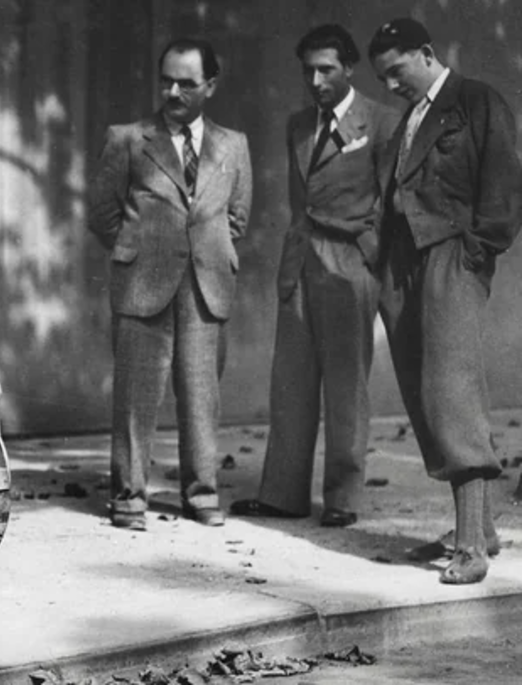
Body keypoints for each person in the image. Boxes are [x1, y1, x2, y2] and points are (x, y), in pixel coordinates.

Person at [368, 18, 522, 584]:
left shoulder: (475, 100)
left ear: (426, 53)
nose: (389, 85)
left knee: (451, 391)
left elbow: (505, 183)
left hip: (452, 258)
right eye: (381, 77)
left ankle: (471, 550)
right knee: (421, 390)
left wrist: (476, 253)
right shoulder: (409, 118)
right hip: (404, 267)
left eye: (396, 71)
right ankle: (477, 528)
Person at [230, 25, 399, 528]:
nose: (316, 79)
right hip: (301, 262)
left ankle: (344, 499)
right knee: (291, 383)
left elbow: (391, 202)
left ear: (349, 68)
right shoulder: (300, 125)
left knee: (347, 387)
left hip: (350, 266)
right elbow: (299, 202)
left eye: (326, 68)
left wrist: (368, 252)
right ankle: (284, 495)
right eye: (308, 70)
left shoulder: (383, 122)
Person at [88, 38, 253, 530]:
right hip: (143, 284)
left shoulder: (233, 145)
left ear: (211, 86)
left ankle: (201, 494)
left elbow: (237, 218)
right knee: (136, 399)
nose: (173, 91)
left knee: (202, 397)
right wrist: (141, 248)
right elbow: (103, 213)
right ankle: (129, 498)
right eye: (166, 80)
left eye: (186, 82)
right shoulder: (128, 138)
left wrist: (208, 248)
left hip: (206, 286)